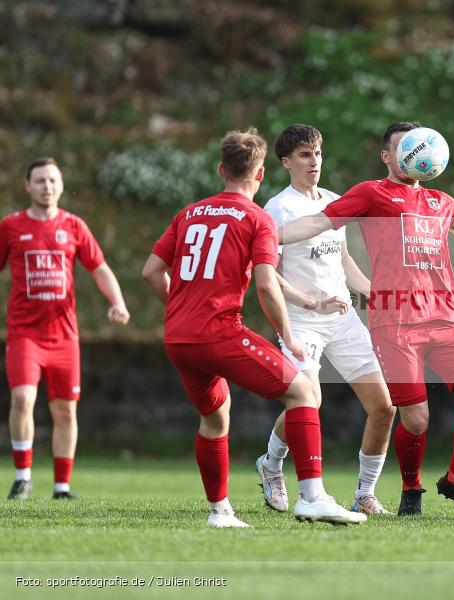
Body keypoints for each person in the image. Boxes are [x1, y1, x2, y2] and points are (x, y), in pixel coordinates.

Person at [280, 121, 454, 516]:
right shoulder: (370, 194)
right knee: (416, 419)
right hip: (395, 324)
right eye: (403, 148)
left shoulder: (442, 202)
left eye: (419, 147)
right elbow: (318, 222)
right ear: (387, 157)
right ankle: (411, 489)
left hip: (445, 319)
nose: (413, 154)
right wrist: (265, 235)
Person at [142, 128, 365, 527]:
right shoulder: (256, 217)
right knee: (301, 392)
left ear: (220, 169)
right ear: (261, 174)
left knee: (214, 416)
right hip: (220, 332)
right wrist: (291, 336)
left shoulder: (188, 213)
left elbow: (152, 272)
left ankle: (220, 511)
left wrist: (178, 307)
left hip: (178, 336)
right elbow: (265, 283)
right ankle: (312, 496)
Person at [256, 124, 396, 516]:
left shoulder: (335, 200)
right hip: (301, 321)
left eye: (317, 152)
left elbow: (344, 260)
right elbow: (267, 271)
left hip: (343, 319)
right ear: (286, 162)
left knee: (384, 408)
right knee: (309, 402)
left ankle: (364, 494)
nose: (313, 161)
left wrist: (377, 293)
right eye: (304, 154)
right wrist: (308, 301)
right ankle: (270, 464)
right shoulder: (277, 209)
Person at [2, 158, 130, 501]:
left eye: (53, 180)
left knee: (64, 410)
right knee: (23, 398)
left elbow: (99, 268)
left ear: (60, 185)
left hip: (64, 336)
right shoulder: (11, 227)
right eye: (40, 180)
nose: (47, 186)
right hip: (24, 333)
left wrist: (117, 301)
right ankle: (23, 476)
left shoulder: (73, 226)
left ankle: (61, 487)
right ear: (27, 186)